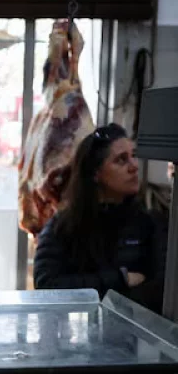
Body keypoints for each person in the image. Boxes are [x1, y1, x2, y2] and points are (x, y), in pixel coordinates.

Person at [34, 123, 167, 312]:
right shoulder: (64, 226)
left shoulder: (149, 223)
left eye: (134, 156)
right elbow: (47, 285)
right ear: (96, 173)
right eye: (121, 160)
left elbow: (162, 290)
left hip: (136, 328)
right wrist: (120, 279)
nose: (134, 166)